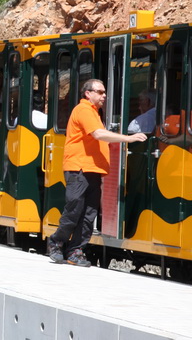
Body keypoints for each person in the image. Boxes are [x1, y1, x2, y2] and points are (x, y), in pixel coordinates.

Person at [47, 79, 147, 267]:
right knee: (74, 209)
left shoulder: (94, 112)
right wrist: (128, 138)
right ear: (88, 93)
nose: (104, 96)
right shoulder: (84, 110)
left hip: (93, 169)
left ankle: (75, 251)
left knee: (88, 214)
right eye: (100, 92)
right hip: (79, 168)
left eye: (104, 92)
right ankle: (56, 242)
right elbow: (98, 134)